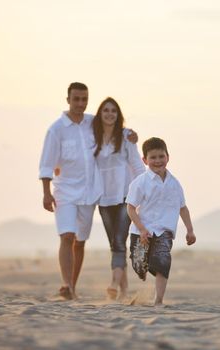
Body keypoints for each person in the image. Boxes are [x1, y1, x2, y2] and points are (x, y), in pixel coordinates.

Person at [39, 82, 102, 300]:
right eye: (76, 99)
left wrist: (130, 134)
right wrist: (46, 193)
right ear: (68, 100)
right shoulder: (56, 129)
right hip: (64, 191)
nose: (80, 104)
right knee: (66, 236)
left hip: (89, 192)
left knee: (80, 241)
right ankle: (66, 284)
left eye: (84, 99)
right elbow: (46, 163)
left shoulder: (93, 123)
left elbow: (115, 128)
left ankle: (72, 287)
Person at [126, 137, 197, 307]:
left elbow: (183, 208)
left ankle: (158, 300)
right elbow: (130, 208)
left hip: (164, 231)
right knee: (139, 264)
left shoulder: (174, 183)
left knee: (163, 262)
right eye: (153, 157)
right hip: (141, 232)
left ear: (168, 157)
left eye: (161, 156)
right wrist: (142, 229)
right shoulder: (140, 183)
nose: (158, 161)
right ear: (145, 160)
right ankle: (143, 269)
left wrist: (190, 230)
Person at [92, 97, 145, 301]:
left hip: (125, 195)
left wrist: (144, 190)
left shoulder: (126, 136)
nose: (109, 114)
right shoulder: (92, 136)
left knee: (119, 243)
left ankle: (113, 284)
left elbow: (137, 164)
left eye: (113, 110)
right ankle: (124, 292)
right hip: (103, 198)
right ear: (100, 113)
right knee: (116, 244)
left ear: (118, 114)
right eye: (105, 110)